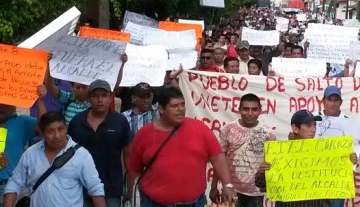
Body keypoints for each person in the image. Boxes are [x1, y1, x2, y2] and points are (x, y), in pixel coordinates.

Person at [127, 86, 236, 207]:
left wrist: (228, 185)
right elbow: (134, 171)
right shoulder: (144, 134)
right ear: (161, 109)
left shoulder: (200, 128)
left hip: (195, 203)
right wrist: (133, 200)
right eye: (174, 106)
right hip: (154, 203)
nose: (180, 109)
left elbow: (217, 157)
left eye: (182, 105)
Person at [255, 110, 358, 207]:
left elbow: (340, 181)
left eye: (314, 125)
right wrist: (264, 170)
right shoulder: (281, 154)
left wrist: (348, 163)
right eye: (308, 125)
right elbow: (261, 184)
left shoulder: (325, 153)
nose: (313, 129)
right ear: (295, 128)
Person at [2, 112, 106, 207]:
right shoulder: (30, 153)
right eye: (50, 131)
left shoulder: (81, 155)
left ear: (66, 128)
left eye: (60, 129)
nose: (57, 136)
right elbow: (15, 182)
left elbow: (95, 188)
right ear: (42, 133)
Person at [68, 79, 132, 207]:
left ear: (110, 97)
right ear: (89, 98)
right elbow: (68, 154)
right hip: (81, 186)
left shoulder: (120, 121)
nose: (100, 100)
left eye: (104, 95)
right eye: (96, 96)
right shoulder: (77, 121)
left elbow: (128, 156)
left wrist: (130, 186)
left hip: (111, 188)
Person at [210, 94, 276, 207]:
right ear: (239, 110)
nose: (250, 113)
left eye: (254, 109)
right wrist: (213, 187)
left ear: (260, 111)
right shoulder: (228, 129)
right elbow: (219, 160)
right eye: (246, 109)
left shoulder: (269, 134)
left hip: (256, 193)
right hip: (231, 190)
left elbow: (272, 164)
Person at [0, 99, 41, 203]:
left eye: (4, 102)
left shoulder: (22, 122)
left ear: (14, 105)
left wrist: (40, 101)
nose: (1, 106)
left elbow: (45, 127)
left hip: (9, 187)